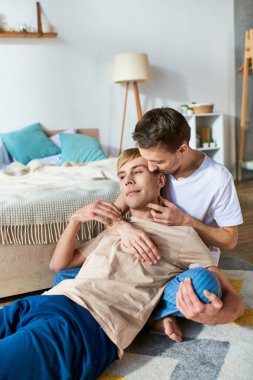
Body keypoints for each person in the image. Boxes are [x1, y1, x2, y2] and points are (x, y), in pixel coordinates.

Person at [0, 149, 244, 379]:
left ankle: (157, 317)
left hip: (83, 325)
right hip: (44, 301)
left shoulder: (183, 236)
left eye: (137, 172)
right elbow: (59, 265)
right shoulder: (114, 229)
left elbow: (230, 295)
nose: (128, 180)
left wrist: (218, 316)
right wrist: (76, 219)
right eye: (122, 176)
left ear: (160, 181)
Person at [112, 107, 243, 338]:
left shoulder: (217, 179)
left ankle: (148, 310)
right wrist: (123, 227)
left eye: (157, 162)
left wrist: (186, 221)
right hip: (146, 262)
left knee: (205, 287)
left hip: (187, 265)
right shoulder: (151, 160)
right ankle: (160, 311)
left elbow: (230, 239)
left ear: (182, 148)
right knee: (67, 276)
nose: (151, 168)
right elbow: (113, 212)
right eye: (147, 160)